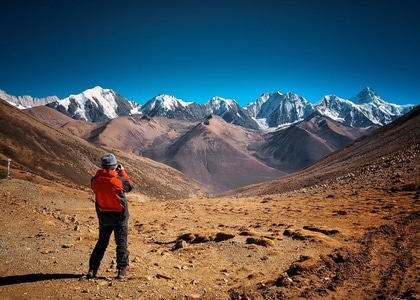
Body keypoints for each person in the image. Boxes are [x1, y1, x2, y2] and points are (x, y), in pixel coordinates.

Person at [87, 153, 133, 279]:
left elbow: (98, 184)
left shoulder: (94, 181)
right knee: (121, 243)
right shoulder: (119, 180)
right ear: (114, 167)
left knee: (102, 242)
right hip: (120, 217)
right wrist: (122, 172)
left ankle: (92, 269)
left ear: (102, 166)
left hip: (103, 216)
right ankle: (122, 270)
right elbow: (129, 185)